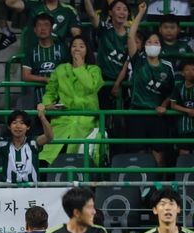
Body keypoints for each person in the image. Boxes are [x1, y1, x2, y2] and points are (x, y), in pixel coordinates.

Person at [40, 36, 104, 164]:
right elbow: (50, 91)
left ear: (87, 50)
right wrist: (48, 105)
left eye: (81, 46)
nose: (77, 49)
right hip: (63, 119)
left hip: (86, 121)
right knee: (50, 156)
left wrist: (80, 67)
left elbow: (91, 85)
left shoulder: (94, 70)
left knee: (78, 160)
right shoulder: (61, 69)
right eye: (74, 45)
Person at [127, 2, 175, 167]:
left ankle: (158, 187)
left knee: (158, 153)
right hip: (137, 112)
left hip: (157, 115)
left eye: (156, 43)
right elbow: (130, 36)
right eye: (149, 42)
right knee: (139, 153)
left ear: (161, 47)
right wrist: (140, 13)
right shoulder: (138, 61)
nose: (152, 45)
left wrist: (164, 104)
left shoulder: (167, 67)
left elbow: (172, 91)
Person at [0, 103, 53, 183]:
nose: (18, 126)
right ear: (9, 127)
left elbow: (49, 137)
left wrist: (42, 117)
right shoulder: (2, 143)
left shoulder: (33, 142)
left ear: (28, 127)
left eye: (22, 123)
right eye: (14, 123)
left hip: (32, 190)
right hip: (9, 191)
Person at [82, 0, 128, 110]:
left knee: (121, 119)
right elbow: (92, 15)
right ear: (111, 13)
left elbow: (129, 61)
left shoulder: (131, 35)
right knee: (101, 114)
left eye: (125, 10)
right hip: (103, 79)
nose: (122, 12)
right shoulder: (105, 28)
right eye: (118, 9)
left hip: (123, 80)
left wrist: (117, 83)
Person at [20, 13, 68, 105]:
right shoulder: (31, 51)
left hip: (62, 97)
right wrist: (46, 79)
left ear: (51, 29)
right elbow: (26, 76)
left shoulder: (62, 48)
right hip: (40, 101)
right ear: (34, 30)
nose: (42, 28)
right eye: (39, 25)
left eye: (46, 25)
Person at [5, 0, 81, 50]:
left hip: (58, 54)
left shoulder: (68, 10)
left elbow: (77, 35)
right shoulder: (33, 6)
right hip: (34, 53)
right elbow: (10, 3)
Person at [169, 60, 194, 156]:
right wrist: (189, 111)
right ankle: (183, 171)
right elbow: (173, 105)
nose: (191, 72)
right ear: (183, 73)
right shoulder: (178, 87)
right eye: (187, 70)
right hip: (184, 127)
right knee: (184, 152)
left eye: (193, 69)